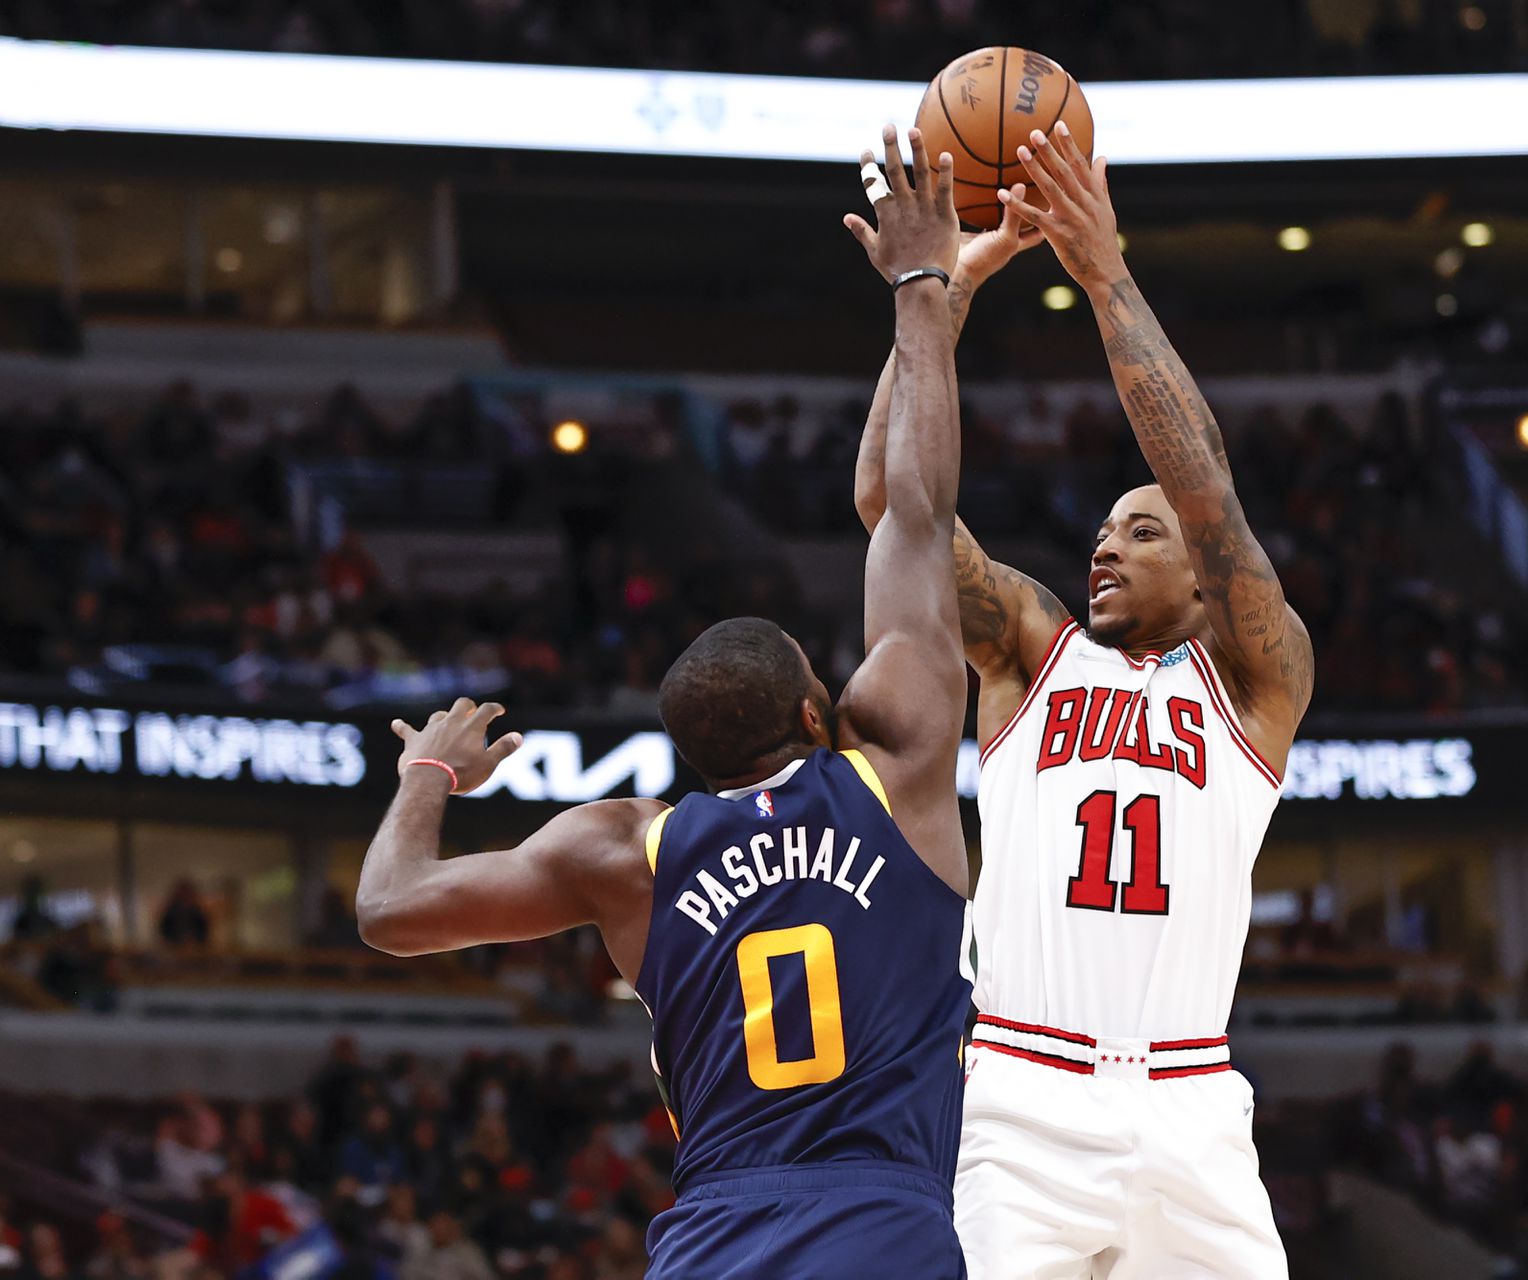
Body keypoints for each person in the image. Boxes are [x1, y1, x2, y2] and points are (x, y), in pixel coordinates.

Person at [358, 124, 974, 1279]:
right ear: (811, 715)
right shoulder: (892, 770)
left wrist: (424, 776)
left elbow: (390, 909)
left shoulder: (621, 848)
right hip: (883, 1218)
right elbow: (913, 513)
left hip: (713, 1234)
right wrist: (923, 287)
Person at [854, 119, 1308, 1276]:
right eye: (1102, 530)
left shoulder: (1259, 680)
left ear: (1205, 573)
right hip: (1021, 1095)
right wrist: (943, 289)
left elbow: (1208, 485)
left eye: (1140, 532)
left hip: (1192, 1097)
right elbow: (888, 505)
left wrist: (1104, 275)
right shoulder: (1030, 651)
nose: (1104, 548)